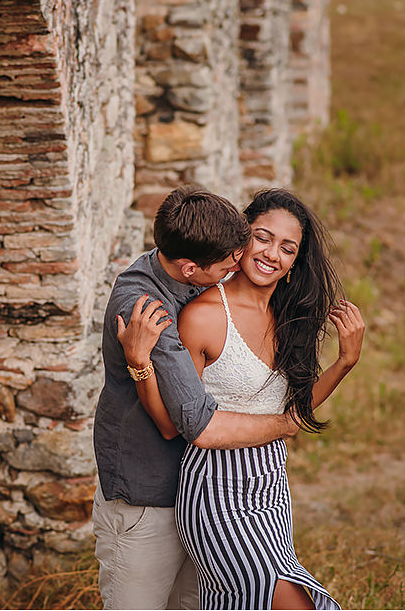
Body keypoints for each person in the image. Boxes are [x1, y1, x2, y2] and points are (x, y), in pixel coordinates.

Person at [120, 188, 365, 609]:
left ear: (295, 261)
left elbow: (293, 413)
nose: (272, 254)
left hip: (271, 485)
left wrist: (344, 362)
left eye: (287, 248)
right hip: (215, 490)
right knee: (293, 600)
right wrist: (140, 364)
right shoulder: (202, 316)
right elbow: (172, 425)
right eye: (262, 237)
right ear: (241, 239)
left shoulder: (290, 316)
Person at [92, 186, 301, 610]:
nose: (237, 266)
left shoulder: (185, 263)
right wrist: (286, 424)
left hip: (200, 499)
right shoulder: (146, 309)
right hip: (147, 497)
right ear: (191, 269)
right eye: (227, 264)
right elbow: (187, 425)